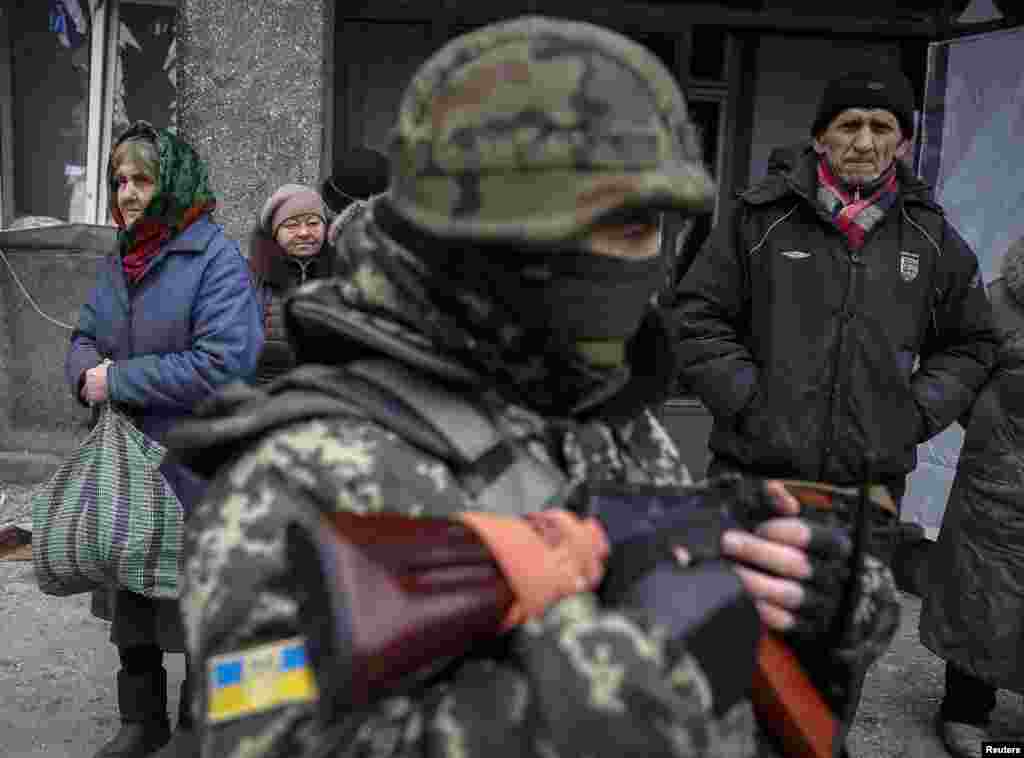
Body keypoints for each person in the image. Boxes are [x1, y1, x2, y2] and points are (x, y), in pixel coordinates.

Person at [166, 18, 899, 758]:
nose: (647, 264)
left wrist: (812, 617)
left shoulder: (608, 412)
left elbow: (719, 670)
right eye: (615, 226)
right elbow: (260, 732)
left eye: (655, 230)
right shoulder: (295, 476)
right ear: (479, 229)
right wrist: (598, 705)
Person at [669, 66, 999, 518]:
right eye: (849, 125)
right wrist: (748, 401)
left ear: (902, 144)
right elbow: (697, 315)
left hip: (868, 494)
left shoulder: (930, 237)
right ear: (820, 137)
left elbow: (972, 344)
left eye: (882, 127)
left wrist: (913, 414)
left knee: (852, 592)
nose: (864, 143)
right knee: (738, 590)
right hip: (753, 478)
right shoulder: (758, 219)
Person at [64, 120, 263, 758]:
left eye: (142, 179)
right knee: (132, 603)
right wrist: (84, 375)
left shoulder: (215, 257)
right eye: (118, 180)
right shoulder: (121, 256)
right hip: (126, 460)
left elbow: (227, 360)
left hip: (195, 458)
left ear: (172, 182)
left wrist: (117, 378)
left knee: (197, 603)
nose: (127, 192)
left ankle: (195, 727)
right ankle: (140, 720)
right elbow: (83, 335)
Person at [918, 236, 1024, 758]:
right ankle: (965, 710)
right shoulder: (999, 303)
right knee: (977, 595)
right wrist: (994, 436)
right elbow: (960, 381)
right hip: (999, 481)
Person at [249, 184, 346, 385]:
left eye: (313, 223)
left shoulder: (345, 276)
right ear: (275, 232)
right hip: (262, 401)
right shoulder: (248, 280)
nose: (303, 233)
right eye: (291, 225)